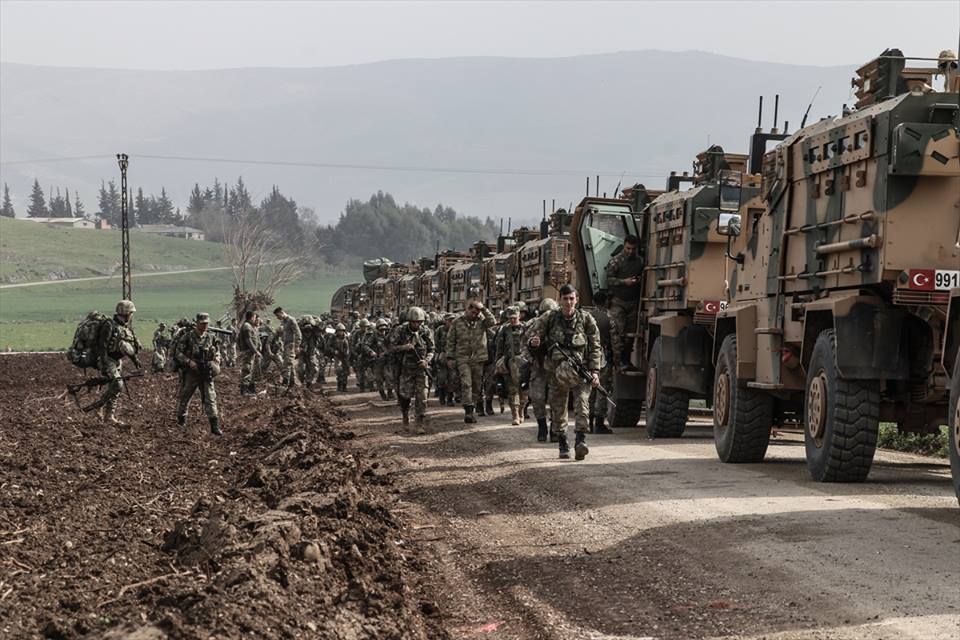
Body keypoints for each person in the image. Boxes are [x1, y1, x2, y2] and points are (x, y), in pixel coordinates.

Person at [528, 285, 601, 460]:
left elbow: (595, 347)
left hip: (581, 371)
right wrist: (534, 343)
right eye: (565, 299)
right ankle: (563, 444)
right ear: (559, 300)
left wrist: (595, 371)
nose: (568, 302)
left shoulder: (586, 319)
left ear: (577, 300)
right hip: (556, 371)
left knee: (582, 406)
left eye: (571, 298)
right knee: (558, 409)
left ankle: (580, 442)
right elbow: (532, 337)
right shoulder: (549, 318)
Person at [88, 299, 141, 424]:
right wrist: (104, 363)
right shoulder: (109, 325)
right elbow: (102, 345)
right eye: (131, 313)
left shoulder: (125, 327)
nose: (132, 315)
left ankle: (109, 416)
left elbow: (128, 346)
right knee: (118, 384)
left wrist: (135, 360)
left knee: (115, 388)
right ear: (126, 313)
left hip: (117, 361)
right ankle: (98, 406)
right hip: (107, 359)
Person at [445, 298, 496, 424]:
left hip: (478, 358)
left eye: (477, 312)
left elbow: (493, 322)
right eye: (473, 312)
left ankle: (472, 407)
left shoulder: (482, 321)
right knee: (466, 383)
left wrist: (483, 309)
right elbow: (451, 340)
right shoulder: (457, 322)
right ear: (467, 309)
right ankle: (468, 411)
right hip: (463, 358)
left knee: (477, 386)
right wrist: (450, 357)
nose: (475, 315)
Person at [173, 312, 222, 435]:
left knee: (210, 398)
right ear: (197, 323)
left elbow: (217, 351)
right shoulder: (188, 336)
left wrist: (217, 358)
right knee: (185, 396)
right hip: (192, 372)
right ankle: (181, 421)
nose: (205, 326)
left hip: (206, 371)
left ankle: (214, 426)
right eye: (202, 323)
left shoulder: (211, 337)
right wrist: (189, 362)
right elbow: (178, 353)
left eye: (206, 323)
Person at [389, 306, 435, 434]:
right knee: (405, 395)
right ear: (409, 321)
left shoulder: (426, 331)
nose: (417, 324)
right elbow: (391, 348)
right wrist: (404, 347)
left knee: (422, 396)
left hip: (421, 369)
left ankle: (419, 423)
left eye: (419, 322)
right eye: (414, 322)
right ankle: (405, 417)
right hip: (405, 368)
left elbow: (432, 350)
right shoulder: (400, 330)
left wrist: (426, 361)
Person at [604, 234, 643, 369]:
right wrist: (623, 282)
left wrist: (638, 280)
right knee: (617, 333)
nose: (630, 251)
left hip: (633, 302)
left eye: (633, 249)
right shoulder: (616, 261)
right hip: (618, 301)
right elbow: (609, 280)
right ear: (624, 246)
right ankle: (614, 361)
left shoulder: (639, 262)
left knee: (630, 336)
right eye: (628, 248)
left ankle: (626, 361)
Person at [523, 298, 558, 442]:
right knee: (537, 398)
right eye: (545, 313)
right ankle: (542, 426)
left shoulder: (560, 325)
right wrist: (532, 349)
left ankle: (555, 429)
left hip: (555, 367)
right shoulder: (533, 325)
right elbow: (524, 346)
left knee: (556, 399)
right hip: (538, 366)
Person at [496, 306, 528, 426]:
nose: (513, 320)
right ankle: (515, 414)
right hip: (509, 362)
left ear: (519, 316)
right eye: (510, 318)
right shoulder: (504, 330)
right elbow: (499, 347)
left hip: (524, 363)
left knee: (524, 390)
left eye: (515, 318)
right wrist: (498, 363)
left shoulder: (526, 328)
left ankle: (521, 410)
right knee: (512, 389)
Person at [363, 319, 393, 400]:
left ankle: (390, 393)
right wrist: (371, 352)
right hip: (377, 360)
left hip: (388, 360)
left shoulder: (390, 335)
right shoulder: (374, 336)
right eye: (381, 329)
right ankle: (383, 395)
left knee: (389, 377)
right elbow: (365, 345)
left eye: (384, 329)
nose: (383, 331)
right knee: (379, 379)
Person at [273, 306, 302, 387]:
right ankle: (293, 382)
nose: (277, 318)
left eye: (278, 315)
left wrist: (297, 346)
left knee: (287, 363)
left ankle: (285, 381)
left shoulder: (291, 320)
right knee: (290, 364)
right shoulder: (283, 322)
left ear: (282, 312)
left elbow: (298, 333)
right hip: (285, 345)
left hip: (291, 345)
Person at [238, 310, 262, 396]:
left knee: (251, 371)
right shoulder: (247, 326)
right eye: (254, 317)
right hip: (248, 352)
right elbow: (248, 340)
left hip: (250, 352)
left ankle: (250, 389)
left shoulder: (249, 326)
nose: (255, 319)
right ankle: (244, 391)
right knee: (247, 370)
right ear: (251, 317)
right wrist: (255, 351)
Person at [326, 323, 351, 392]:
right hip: (337, 356)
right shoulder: (333, 338)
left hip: (345, 356)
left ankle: (344, 386)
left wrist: (347, 353)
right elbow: (328, 346)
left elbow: (350, 346)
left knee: (346, 371)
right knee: (339, 371)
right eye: (339, 331)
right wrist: (334, 351)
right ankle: (339, 385)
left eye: (342, 331)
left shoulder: (347, 337)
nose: (340, 332)